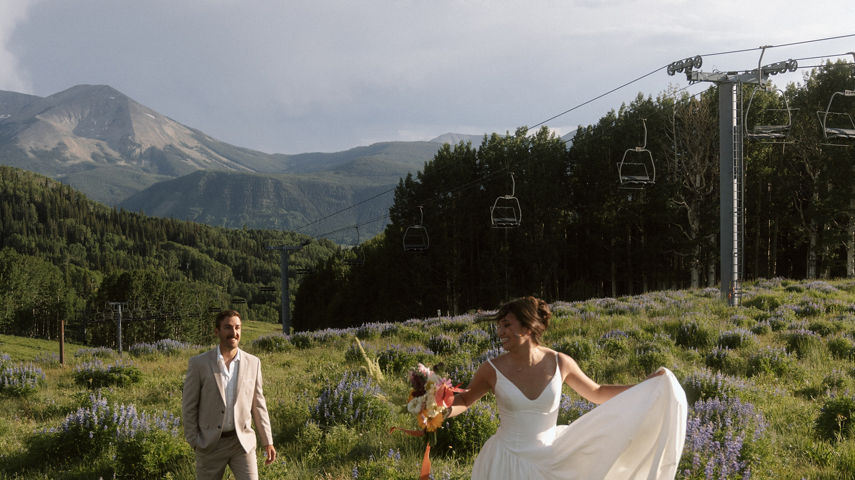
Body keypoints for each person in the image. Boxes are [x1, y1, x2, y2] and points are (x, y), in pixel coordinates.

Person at [446, 296, 687, 480]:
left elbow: (598, 392)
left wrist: (644, 385)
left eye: (507, 325)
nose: (500, 332)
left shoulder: (560, 362)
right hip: (506, 460)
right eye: (499, 326)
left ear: (528, 327)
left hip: (550, 459)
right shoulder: (491, 369)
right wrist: (437, 409)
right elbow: (465, 400)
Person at [182, 310, 277, 480]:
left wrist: (267, 441)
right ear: (217, 331)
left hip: (241, 443)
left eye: (237, 328)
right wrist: (194, 441)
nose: (234, 333)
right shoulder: (199, 364)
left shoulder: (253, 363)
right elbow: (189, 406)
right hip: (210, 444)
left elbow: (259, 406)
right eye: (228, 327)